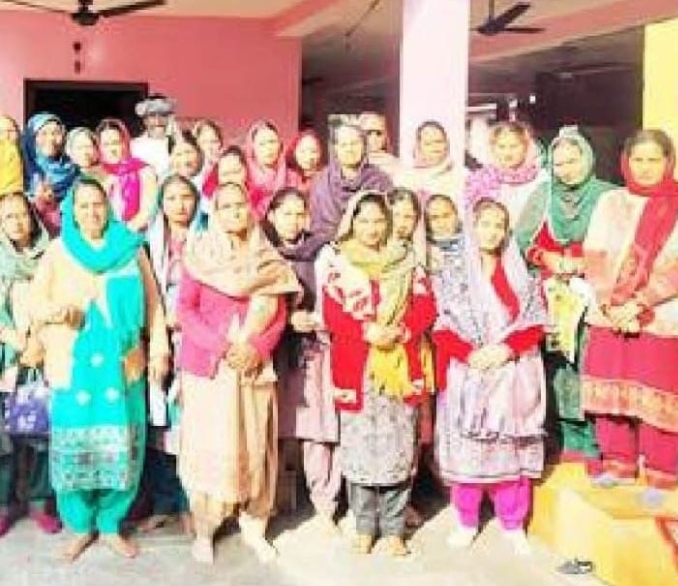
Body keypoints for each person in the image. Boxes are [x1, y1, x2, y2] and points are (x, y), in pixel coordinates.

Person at [30, 176, 169, 561]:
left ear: (108, 208)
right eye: (84, 206)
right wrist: (57, 311)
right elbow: (35, 302)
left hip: (122, 368)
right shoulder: (58, 251)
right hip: (74, 368)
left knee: (122, 447)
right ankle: (80, 525)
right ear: (72, 212)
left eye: (98, 204)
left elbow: (154, 305)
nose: (92, 212)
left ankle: (110, 524)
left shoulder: (130, 249)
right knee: (74, 447)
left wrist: (159, 350)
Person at [177, 182, 300, 564]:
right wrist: (223, 347)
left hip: (253, 369)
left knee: (255, 445)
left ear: (250, 209)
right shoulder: (200, 254)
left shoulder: (267, 259)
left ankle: (254, 527)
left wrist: (256, 348)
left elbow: (278, 316)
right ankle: (206, 529)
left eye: (240, 205)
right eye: (226, 206)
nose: (235, 212)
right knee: (210, 447)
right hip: (211, 368)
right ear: (215, 213)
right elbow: (185, 310)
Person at [323, 191, 435, 557]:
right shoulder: (340, 264)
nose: (372, 228)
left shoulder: (407, 260)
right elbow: (333, 313)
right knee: (359, 449)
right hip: (357, 366)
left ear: (388, 222)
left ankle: (393, 529)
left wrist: (401, 331)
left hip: (399, 364)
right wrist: (366, 331)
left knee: (398, 449)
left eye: (378, 220)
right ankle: (363, 527)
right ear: (352, 222)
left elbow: (425, 306)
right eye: (364, 220)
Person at [432, 198, 546, 555]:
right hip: (469, 371)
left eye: (499, 225)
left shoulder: (520, 273)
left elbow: (535, 323)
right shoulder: (452, 274)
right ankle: (467, 520)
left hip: (513, 372)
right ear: (472, 226)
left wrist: (506, 350)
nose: (492, 232)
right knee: (469, 449)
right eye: (485, 224)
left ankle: (513, 522)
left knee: (511, 449)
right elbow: (441, 325)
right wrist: (470, 354)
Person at [582, 129, 678, 503]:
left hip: (660, 314)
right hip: (610, 313)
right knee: (612, 390)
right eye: (638, 159)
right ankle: (618, 463)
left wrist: (638, 302)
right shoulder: (610, 201)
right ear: (626, 162)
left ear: (668, 162)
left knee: (657, 397)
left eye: (654, 160)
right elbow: (595, 253)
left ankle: (661, 474)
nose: (645, 167)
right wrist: (610, 302)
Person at [516, 127, 616, 473]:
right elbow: (521, 241)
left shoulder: (608, 197)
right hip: (552, 295)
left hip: (596, 297)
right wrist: (546, 257)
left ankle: (596, 440)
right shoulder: (542, 195)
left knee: (591, 363)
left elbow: (623, 247)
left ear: (588, 158)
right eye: (559, 164)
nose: (566, 170)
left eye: (573, 161)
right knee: (556, 364)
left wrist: (584, 264)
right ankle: (562, 437)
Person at [264, 187, 341, 528]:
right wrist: (285, 319)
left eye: (300, 213)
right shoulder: (262, 251)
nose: (294, 221)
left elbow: (334, 295)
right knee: (272, 428)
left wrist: (315, 320)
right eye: (286, 213)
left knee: (316, 429)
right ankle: (268, 502)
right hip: (272, 350)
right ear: (271, 215)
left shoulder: (323, 252)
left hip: (314, 347)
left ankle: (324, 504)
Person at [140, 174, 202, 535]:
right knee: (159, 421)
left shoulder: (208, 240)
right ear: (161, 203)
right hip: (157, 339)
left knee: (190, 422)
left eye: (186, 197)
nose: (180, 205)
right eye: (172, 198)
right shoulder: (147, 244)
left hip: (196, 340)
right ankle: (164, 501)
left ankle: (189, 503)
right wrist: (159, 330)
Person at [0, 192, 61, 536]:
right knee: (3, 437)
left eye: (21, 214)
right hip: (7, 356)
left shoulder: (51, 254)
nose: (16, 222)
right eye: (8, 217)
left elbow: (59, 298)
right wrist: (14, 339)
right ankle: (3, 505)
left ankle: (40, 502)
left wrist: (38, 341)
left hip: (42, 352)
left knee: (40, 430)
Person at [309, 121, 392, 254]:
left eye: (354, 143)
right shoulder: (321, 181)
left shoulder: (380, 181)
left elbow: (388, 224)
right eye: (344, 145)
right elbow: (316, 226)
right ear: (335, 148)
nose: (349, 149)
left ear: (364, 146)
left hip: (372, 252)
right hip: (327, 251)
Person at [465, 121, 547, 225]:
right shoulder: (480, 180)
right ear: (493, 148)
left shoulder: (541, 179)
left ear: (526, 146)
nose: (507, 153)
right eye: (501, 146)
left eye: (514, 146)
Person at [97, 118, 158, 232]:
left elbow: (148, 210)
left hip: (135, 235)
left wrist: (125, 233)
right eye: (106, 144)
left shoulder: (144, 171)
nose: (112, 149)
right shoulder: (99, 175)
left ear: (125, 143)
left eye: (116, 143)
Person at [21, 112, 78, 235]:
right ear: (31, 138)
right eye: (43, 133)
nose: (51, 139)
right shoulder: (21, 169)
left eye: (56, 133)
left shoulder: (72, 169)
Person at [395, 120, 465, 208]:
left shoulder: (462, 175)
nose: (435, 147)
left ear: (447, 144)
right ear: (419, 146)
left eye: (439, 142)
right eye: (428, 144)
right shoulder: (405, 178)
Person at [244, 120, 292, 218]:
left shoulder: (292, 177)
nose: (268, 148)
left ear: (280, 145)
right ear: (252, 148)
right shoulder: (244, 176)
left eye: (272, 142)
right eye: (262, 144)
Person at [131, 93, 176, 178]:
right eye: (152, 116)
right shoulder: (134, 146)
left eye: (163, 115)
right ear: (145, 120)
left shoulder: (179, 143)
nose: (158, 121)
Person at [424, 194, 461, 275]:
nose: (442, 223)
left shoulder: (472, 244)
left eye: (446, 216)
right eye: (434, 218)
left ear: (456, 215)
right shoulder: (423, 249)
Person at [358, 111, 400, 178]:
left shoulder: (396, 165)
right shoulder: (350, 163)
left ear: (385, 136)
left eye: (378, 133)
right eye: (368, 133)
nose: (374, 138)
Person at [286, 130, 323, 194]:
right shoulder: (286, 177)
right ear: (294, 152)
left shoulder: (325, 178)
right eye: (302, 151)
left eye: (313, 151)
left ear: (320, 153)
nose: (308, 156)